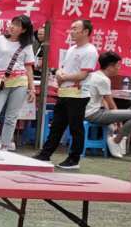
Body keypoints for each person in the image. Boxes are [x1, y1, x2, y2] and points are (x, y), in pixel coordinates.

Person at [37, 18, 99, 169]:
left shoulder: (90, 51)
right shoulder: (71, 49)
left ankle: (74, 159)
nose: (71, 31)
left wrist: (64, 77)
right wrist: (59, 73)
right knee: (56, 126)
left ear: (85, 32)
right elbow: (62, 67)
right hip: (64, 92)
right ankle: (45, 154)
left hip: (78, 94)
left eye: (75, 28)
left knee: (75, 128)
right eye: (71, 28)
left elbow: (83, 75)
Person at [0, 15, 36, 151]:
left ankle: (5, 145)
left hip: (20, 82)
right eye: (12, 23)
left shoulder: (27, 46)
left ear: (24, 30)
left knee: (11, 117)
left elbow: (28, 68)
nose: (12, 26)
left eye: (17, 25)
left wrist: (32, 89)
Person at [85, 51, 131, 158]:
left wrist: (114, 119)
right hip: (93, 114)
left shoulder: (93, 75)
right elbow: (111, 103)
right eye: (118, 65)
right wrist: (119, 121)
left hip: (87, 112)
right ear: (110, 67)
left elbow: (103, 100)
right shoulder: (103, 79)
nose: (119, 68)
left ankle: (111, 141)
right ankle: (116, 141)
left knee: (112, 124)